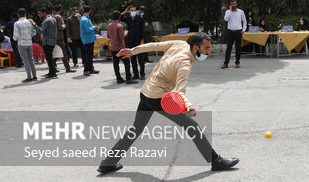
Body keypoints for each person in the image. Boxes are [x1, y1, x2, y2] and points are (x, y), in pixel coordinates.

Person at [97, 32, 239, 174]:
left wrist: (133, 51)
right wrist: (187, 106)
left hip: (146, 92)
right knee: (191, 125)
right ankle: (216, 161)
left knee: (136, 129)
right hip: (157, 98)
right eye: (206, 48)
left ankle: (107, 163)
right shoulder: (184, 64)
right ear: (196, 48)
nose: (209, 51)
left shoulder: (180, 44)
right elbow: (180, 91)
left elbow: (154, 46)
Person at [107, 10, 136, 84]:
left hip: (113, 47)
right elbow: (121, 37)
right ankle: (128, 78)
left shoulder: (109, 26)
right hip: (120, 47)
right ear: (119, 17)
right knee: (126, 62)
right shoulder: (119, 26)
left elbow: (108, 36)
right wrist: (125, 33)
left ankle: (118, 78)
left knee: (115, 63)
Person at [13, 8, 39, 82]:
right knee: (31, 59)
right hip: (29, 43)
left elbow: (15, 36)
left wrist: (16, 39)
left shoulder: (17, 23)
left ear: (18, 15)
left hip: (21, 43)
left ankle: (29, 77)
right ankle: (34, 76)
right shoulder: (30, 22)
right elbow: (34, 32)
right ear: (25, 14)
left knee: (25, 60)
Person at [121, 5, 146, 79]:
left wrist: (142, 41)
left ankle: (142, 74)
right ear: (129, 11)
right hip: (131, 41)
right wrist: (125, 11)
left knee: (140, 59)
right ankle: (136, 74)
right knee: (133, 59)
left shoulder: (140, 19)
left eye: (134, 10)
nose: (133, 12)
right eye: (131, 10)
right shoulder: (128, 19)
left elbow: (143, 31)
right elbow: (119, 17)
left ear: (136, 11)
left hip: (139, 41)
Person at [222, 0, 246, 69]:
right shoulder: (228, 12)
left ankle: (237, 62)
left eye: (234, 4)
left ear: (236, 4)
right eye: (232, 4)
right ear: (230, 5)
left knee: (238, 48)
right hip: (230, 32)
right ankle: (226, 63)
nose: (233, 5)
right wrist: (230, 11)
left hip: (238, 32)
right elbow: (226, 19)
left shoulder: (241, 12)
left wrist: (243, 30)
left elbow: (244, 21)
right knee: (228, 48)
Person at [36, 8, 58, 78]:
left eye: (40, 13)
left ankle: (53, 73)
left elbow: (40, 30)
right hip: (52, 41)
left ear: (44, 13)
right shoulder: (52, 19)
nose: (38, 15)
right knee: (49, 58)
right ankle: (51, 72)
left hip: (48, 42)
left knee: (49, 58)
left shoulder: (47, 20)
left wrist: (34, 24)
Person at [52, 5, 74, 73]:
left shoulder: (51, 16)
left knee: (54, 54)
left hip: (52, 38)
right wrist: (65, 25)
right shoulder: (59, 17)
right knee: (63, 53)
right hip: (59, 38)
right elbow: (60, 27)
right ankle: (67, 68)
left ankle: (53, 68)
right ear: (60, 10)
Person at [80, 5, 99, 76]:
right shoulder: (84, 19)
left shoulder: (85, 18)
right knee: (88, 55)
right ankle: (86, 70)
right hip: (87, 40)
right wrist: (94, 28)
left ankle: (91, 68)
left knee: (90, 55)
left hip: (89, 39)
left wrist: (93, 27)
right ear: (89, 11)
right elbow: (88, 30)